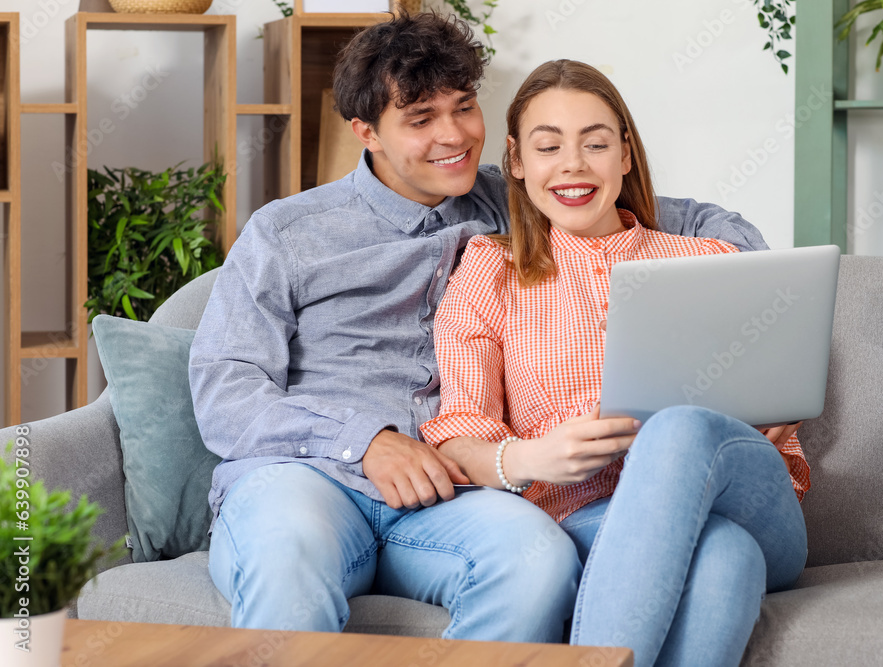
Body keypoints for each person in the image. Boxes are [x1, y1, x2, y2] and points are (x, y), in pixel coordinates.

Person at [190, 13, 774, 642]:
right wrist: (366, 440)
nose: (455, 136)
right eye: (421, 120)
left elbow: (682, 217)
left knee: (539, 562)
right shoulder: (287, 232)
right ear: (368, 132)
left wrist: (755, 307)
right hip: (308, 480)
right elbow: (226, 387)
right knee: (288, 555)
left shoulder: (516, 193)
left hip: (452, 498)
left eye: (464, 107)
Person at [421, 59, 810, 666]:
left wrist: (772, 409)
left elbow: (780, 408)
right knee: (725, 556)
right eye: (548, 146)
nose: (573, 164)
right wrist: (532, 456)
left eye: (595, 144)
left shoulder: (707, 258)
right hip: (588, 516)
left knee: (681, 428)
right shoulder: (490, 272)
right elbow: (460, 435)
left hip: (750, 500)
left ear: (625, 156)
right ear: (517, 164)